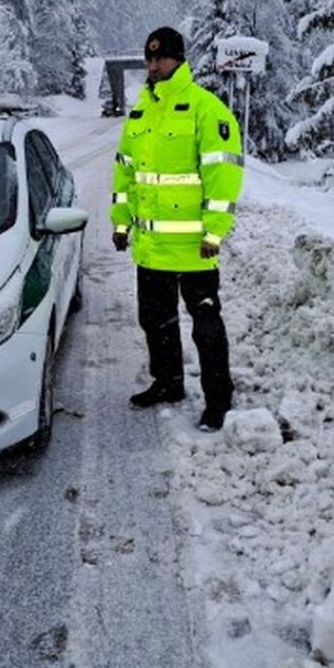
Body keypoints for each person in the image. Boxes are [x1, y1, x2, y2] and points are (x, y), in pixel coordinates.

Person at [110, 27, 244, 432]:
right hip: (151, 248)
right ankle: (168, 383)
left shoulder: (206, 107)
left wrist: (214, 232)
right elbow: (126, 173)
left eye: (162, 58)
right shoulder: (140, 112)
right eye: (150, 58)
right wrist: (120, 222)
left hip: (194, 249)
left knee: (206, 328)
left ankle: (219, 399)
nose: (154, 65)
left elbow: (223, 175)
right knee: (155, 322)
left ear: (179, 59)